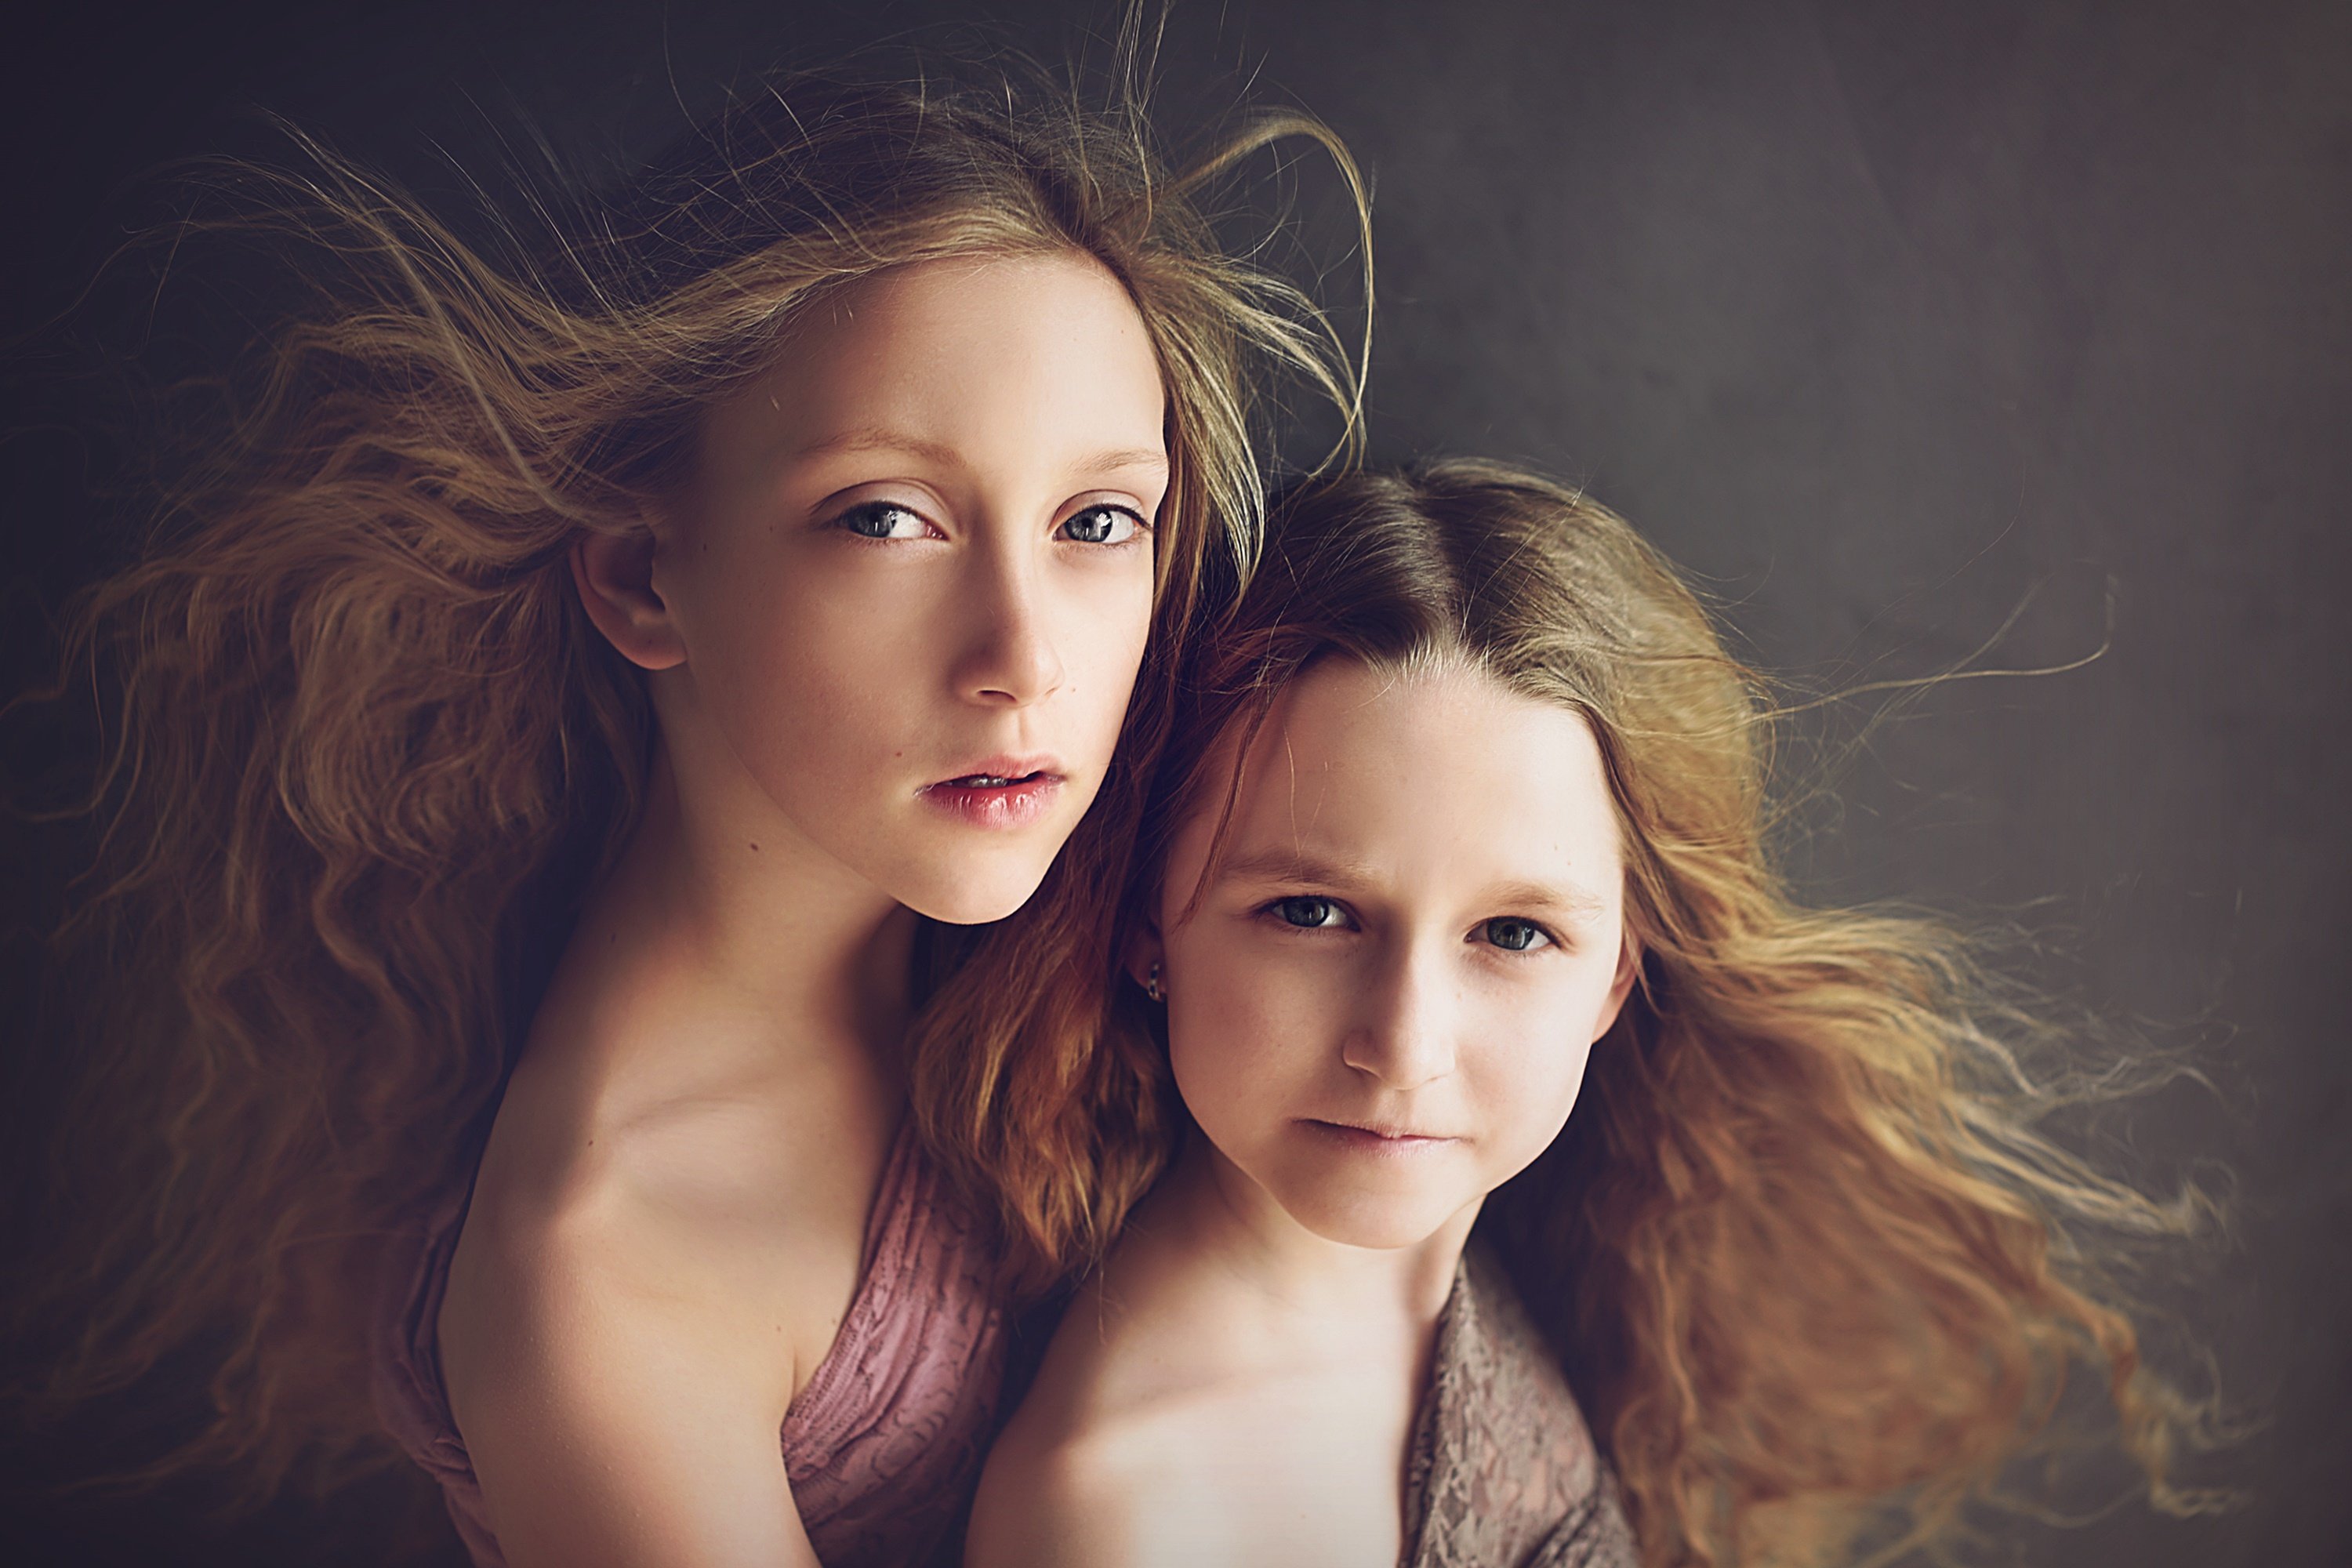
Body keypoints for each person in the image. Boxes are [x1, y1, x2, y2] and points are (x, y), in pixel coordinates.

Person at [11, 50, 1364, 1568]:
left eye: (1097, 520)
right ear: (645, 577)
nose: (1026, 660)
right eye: (889, 518)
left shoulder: (1131, 905)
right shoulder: (599, 1290)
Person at [965, 461, 2206, 1568]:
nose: (1402, 1045)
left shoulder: (1562, 1256)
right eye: (1310, 913)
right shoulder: (1126, 1517)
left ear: (1617, 975)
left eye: (1514, 935)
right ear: (1147, 925)